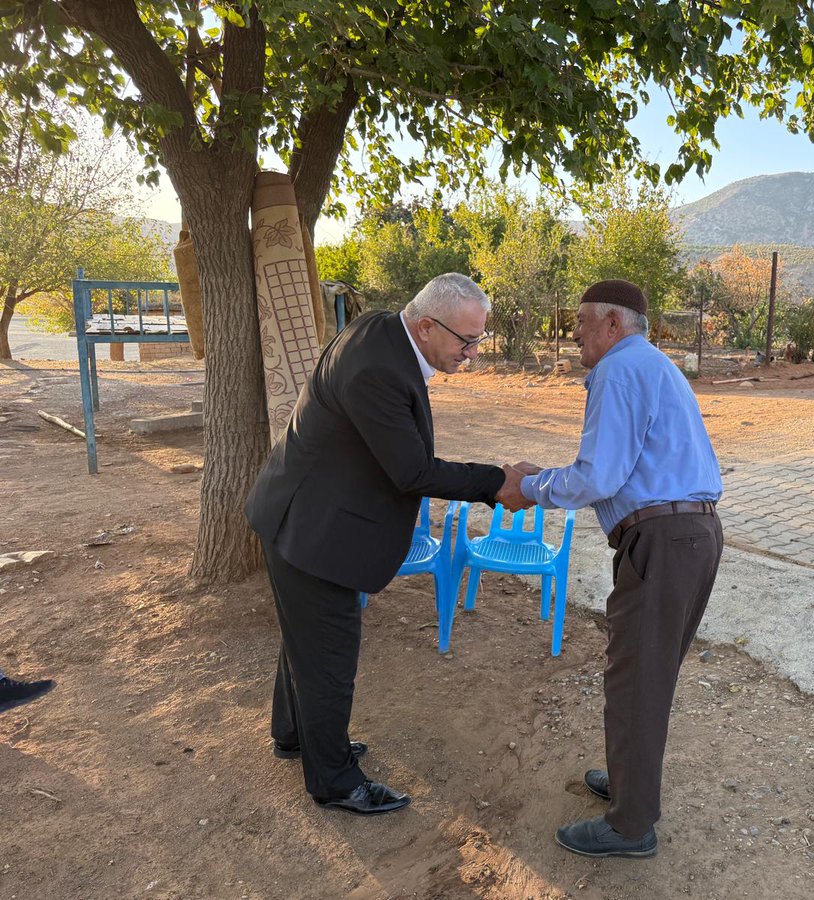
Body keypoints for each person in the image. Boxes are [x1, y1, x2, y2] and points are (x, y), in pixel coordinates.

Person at [245, 273, 527, 816]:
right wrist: (498, 481)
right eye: (465, 341)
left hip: (301, 513)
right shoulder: (379, 367)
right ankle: (334, 781)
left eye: (478, 340)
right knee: (328, 656)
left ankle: (295, 735)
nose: (471, 353)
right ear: (426, 325)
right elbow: (412, 472)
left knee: (305, 643)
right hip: (311, 531)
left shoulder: (381, 330)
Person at [503, 279, 724, 859]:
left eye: (581, 320)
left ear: (613, 325)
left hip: (664, 539)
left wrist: (528, 486)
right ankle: (630, 788)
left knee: (636, 682)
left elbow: (599, 476)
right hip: (688, 535)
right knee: (645, 677)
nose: (572, 330)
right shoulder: (655, 366)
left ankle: (630, 826)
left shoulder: (619, 370)